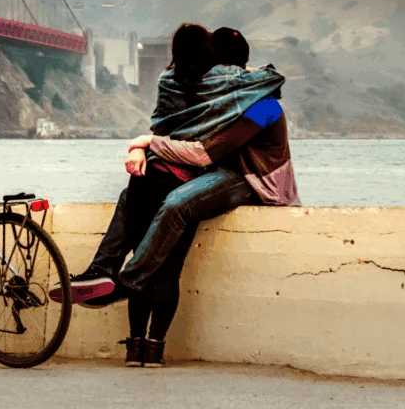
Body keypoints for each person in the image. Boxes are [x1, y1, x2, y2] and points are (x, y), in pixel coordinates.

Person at [50, 26, 300, 365]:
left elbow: (208, 152)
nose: (216, 78)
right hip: (223, 171)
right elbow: (184, 130)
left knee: (177, 203)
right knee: (132, 198)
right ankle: (103, 270)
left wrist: (144, 142)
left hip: (255, 180)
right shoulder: (226, 100)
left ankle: (127, 280)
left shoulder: (264, 107)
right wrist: (147, 146)